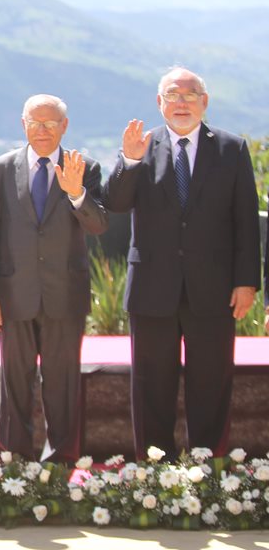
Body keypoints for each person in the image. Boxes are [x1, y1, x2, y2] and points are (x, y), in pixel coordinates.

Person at [103, 67, 260, 458]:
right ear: (160, 103)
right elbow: (115, 205)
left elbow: (246, 220)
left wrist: (247, 282)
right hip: (153, 289)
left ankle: (208, 472)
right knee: (151, 386)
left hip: (214, 289)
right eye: (173, 95)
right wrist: (129, 161)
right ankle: (156, 473)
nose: (182, 102)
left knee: (211, 383)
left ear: (204, 102)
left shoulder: (230, 149)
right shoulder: (141, 146)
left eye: (191, 95)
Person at [0, 94, 108, 462]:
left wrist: (76, 193)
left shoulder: (85, 167)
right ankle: (14, 463)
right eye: (35, 122)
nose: (42, 130)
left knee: (62, 385)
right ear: (23, 125)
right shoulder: (0, 169)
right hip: (13, 294)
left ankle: (62, 466)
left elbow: (99, 225)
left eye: (50, 123)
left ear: (64, 126)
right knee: (14, 384)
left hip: (64, 296)